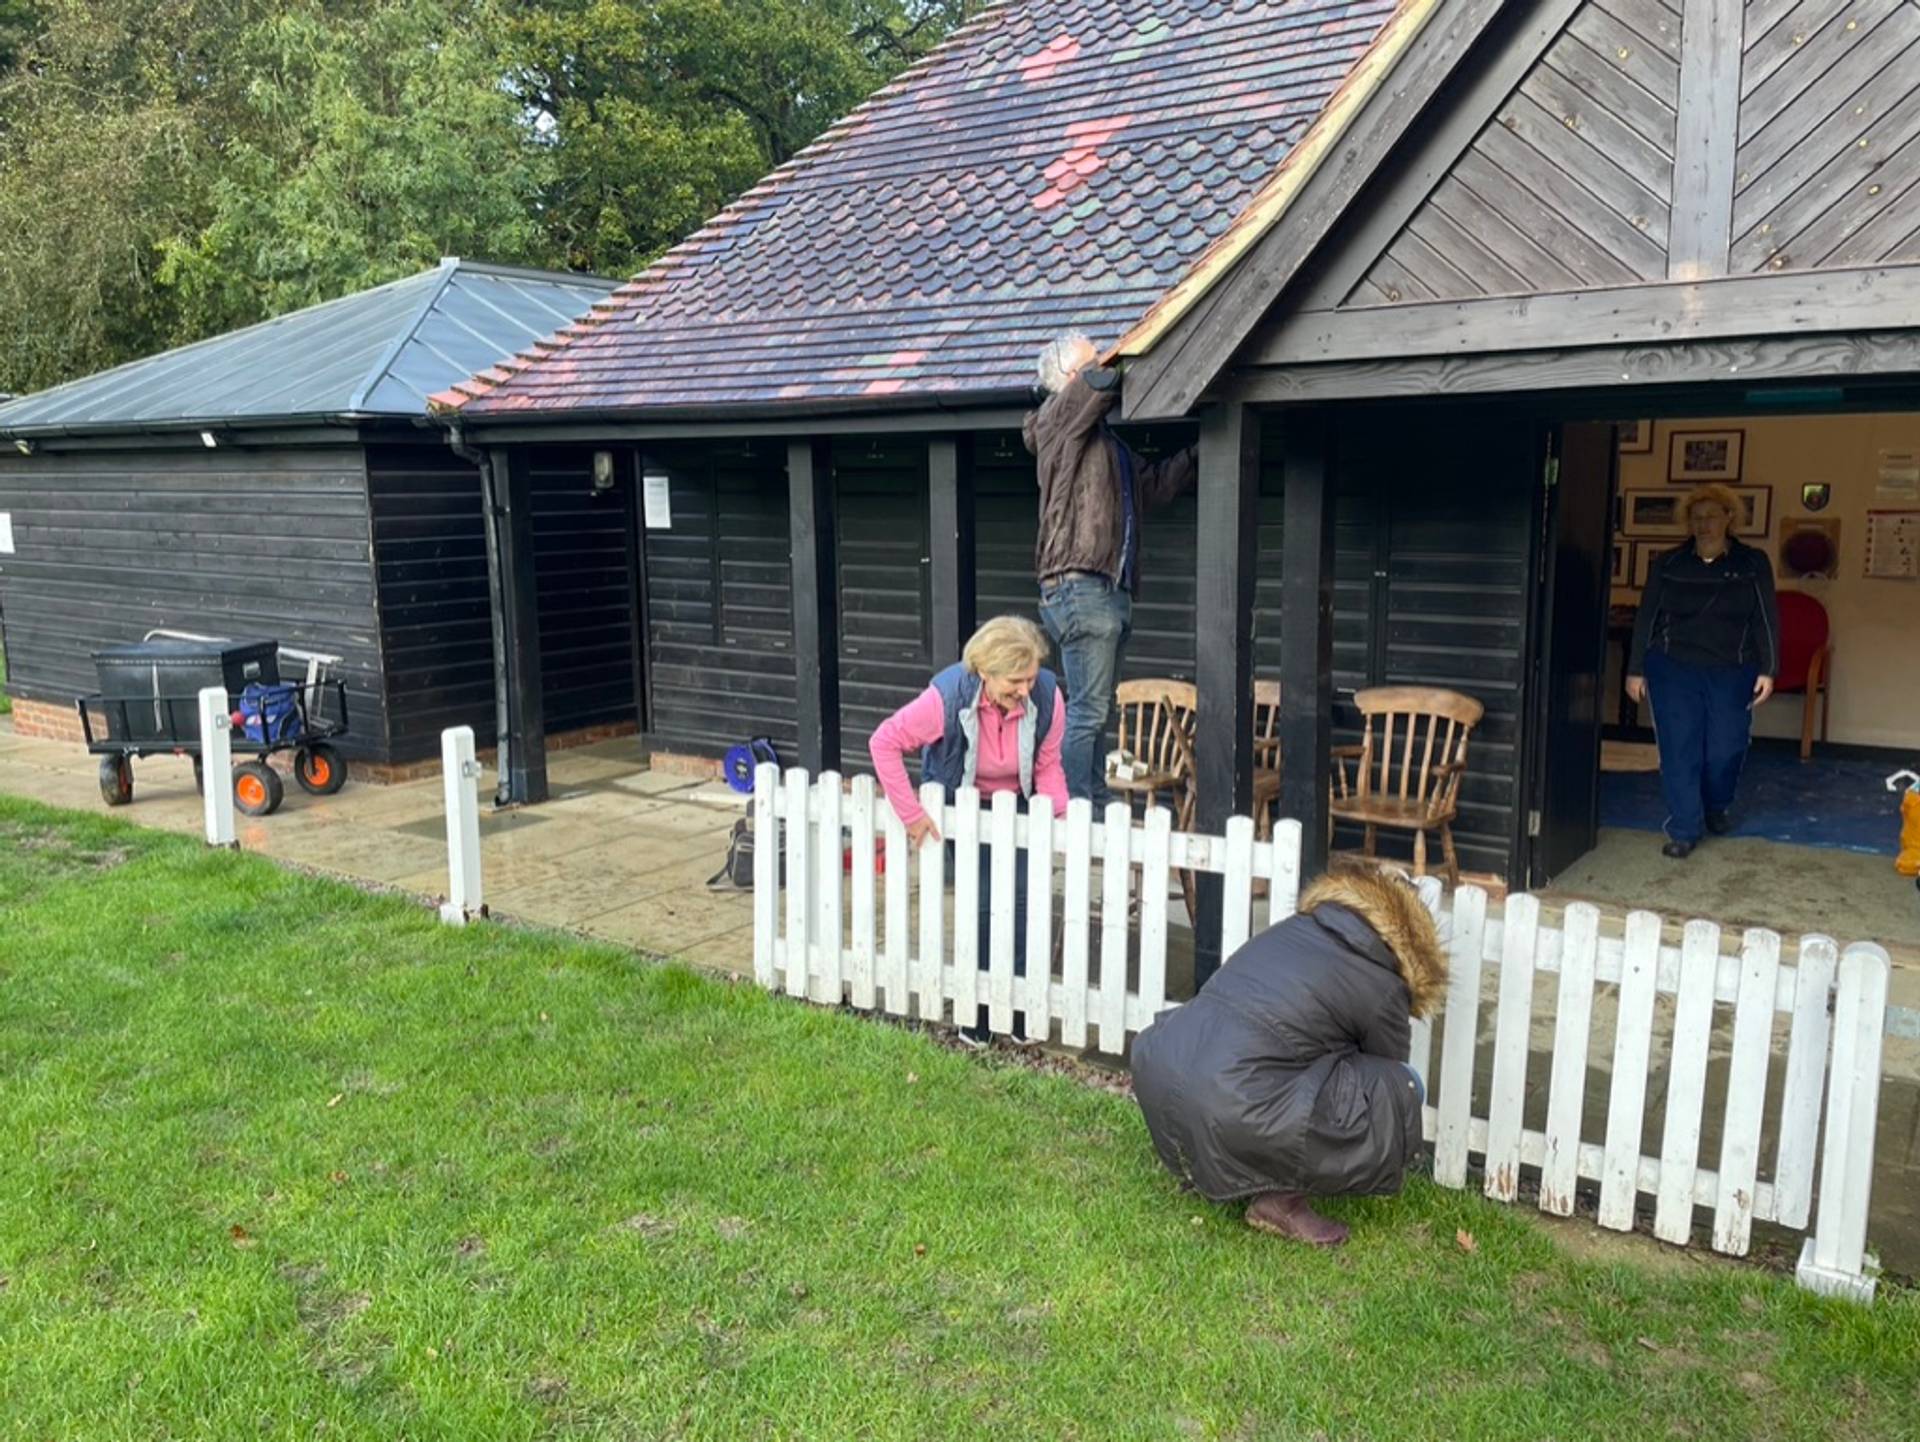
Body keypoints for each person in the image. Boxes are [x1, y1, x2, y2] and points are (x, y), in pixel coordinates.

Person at [1130, 867, 1445, 1248]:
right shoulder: (1384, 981)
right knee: (1406, 1084)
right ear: (1415, 935)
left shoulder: (1292, 929)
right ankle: (1280, 1202)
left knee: (1273, 1063)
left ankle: (1211, 1168)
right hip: (1229, 1103)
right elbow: (1388, 1073)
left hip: (1165, 1070)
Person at [868, 615, 1068, 1046]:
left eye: (1031, 679)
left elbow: (1048, 763)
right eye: (1015, 681)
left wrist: (1059, 819)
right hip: (963, 805)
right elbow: (884, 742)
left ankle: (1016, 1008)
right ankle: (975, 1009)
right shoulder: (946, 696)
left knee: (1020, 900)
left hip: (1016, 806)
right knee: (979, 902)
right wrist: (912, 814)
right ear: (985, 671)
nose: (1025, 690)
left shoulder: (1049, 697)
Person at [1024, 333, 1197, 806]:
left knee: (1094, 709)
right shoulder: (1055, 421)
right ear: (1067, 379)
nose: (1101, 364)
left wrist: (1201, 448)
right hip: (1080, 584)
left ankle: (1089, 802)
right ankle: (1082, 808)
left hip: (1106, 588)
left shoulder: (1104, 446)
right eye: (1089, 361)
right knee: (1087, 710)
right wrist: (1132, 350)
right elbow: (1101, 381)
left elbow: (1155, 486)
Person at [1626, 482, 1779, 859]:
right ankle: (1683, 827)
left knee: (1727, 747)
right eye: (1696, 517)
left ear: (1729, 517)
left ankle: (1716, 804)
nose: (1704, 524)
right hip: (1672, 668)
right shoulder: (1670, 563)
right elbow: (1646, 617)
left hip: (1733, 670)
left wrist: (1769, 668)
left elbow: (1766, 618)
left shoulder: (1751, 563)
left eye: (1711, 516)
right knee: (1679, 749)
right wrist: (1634, 669)